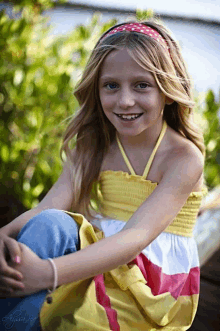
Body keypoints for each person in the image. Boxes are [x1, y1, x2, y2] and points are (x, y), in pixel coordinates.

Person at [0, 19, 207, 330]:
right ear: (95, 90)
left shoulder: (183, 158)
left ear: (168, 90)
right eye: (111, 85)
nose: (125, 100)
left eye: (142, 85)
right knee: (49, 223)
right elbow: (47, 208)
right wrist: (3, 235)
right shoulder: (94, 145)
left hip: (150, 288)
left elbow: (135, 238)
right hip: (96, 259)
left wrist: (48, 272)